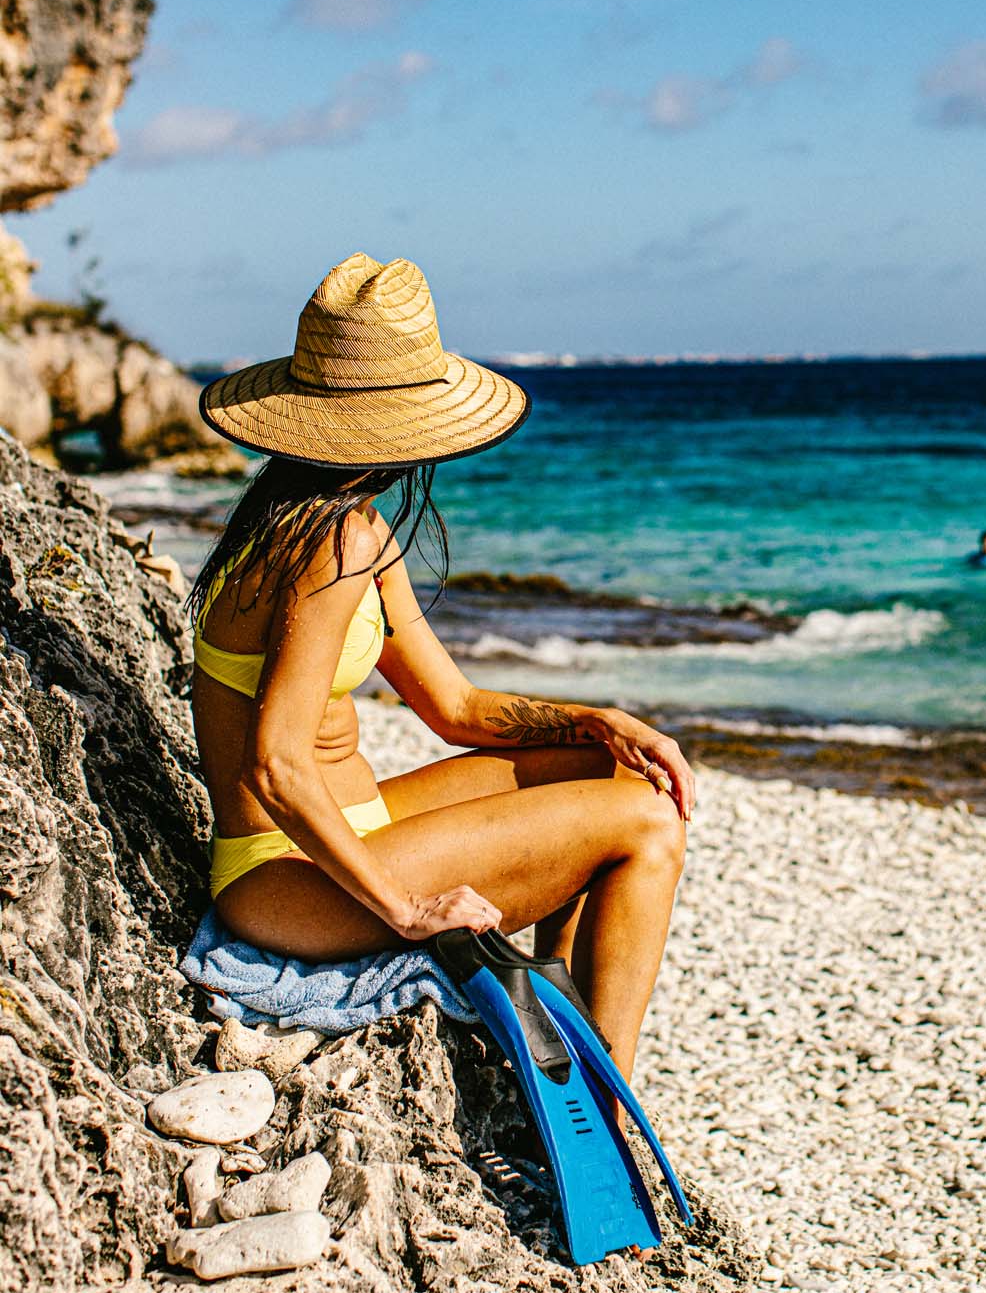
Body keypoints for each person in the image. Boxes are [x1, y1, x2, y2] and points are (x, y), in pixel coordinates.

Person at [191, 254, 692, 1082]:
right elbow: (277, 767)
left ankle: (553, 1003)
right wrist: (408, 910)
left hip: (345, 837)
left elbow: (453, 705)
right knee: (647, 825)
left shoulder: (322, 520)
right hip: (286, 878)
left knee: (602, 767)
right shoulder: (332, 542)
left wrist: (600, 721)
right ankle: (610, 1094)